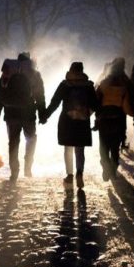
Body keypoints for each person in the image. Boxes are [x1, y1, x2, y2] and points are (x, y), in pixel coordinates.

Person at [0, 52, 46, 183]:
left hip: (11, 114)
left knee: (13, 143)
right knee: (31, 139)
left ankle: (14, 172)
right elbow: (40, 96)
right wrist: (42, 115)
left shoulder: (7, 73)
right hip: (28, 114)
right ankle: (28, 167)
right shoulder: (34, 74)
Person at [45, 62, 99, 190]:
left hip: (67, 120)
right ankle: (79, 173)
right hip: (83, 121)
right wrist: (92, 116)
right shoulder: (88, 85)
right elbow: (95, 105)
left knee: (68, 148)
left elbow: (55, 102)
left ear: (70, 70)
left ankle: (69, 175)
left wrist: (45, 115)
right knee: (80, 150)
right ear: (82, 71)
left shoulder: (65, 84)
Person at [95, 57, 132, 181]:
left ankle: (105, 165)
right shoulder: (125, 82)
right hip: (118, 119)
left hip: (103, 119)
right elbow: (127, 106)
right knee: (115, 147)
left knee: (103, 145)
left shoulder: (103, 82)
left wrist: (94, 114)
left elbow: (96, 100)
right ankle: (113, 168)